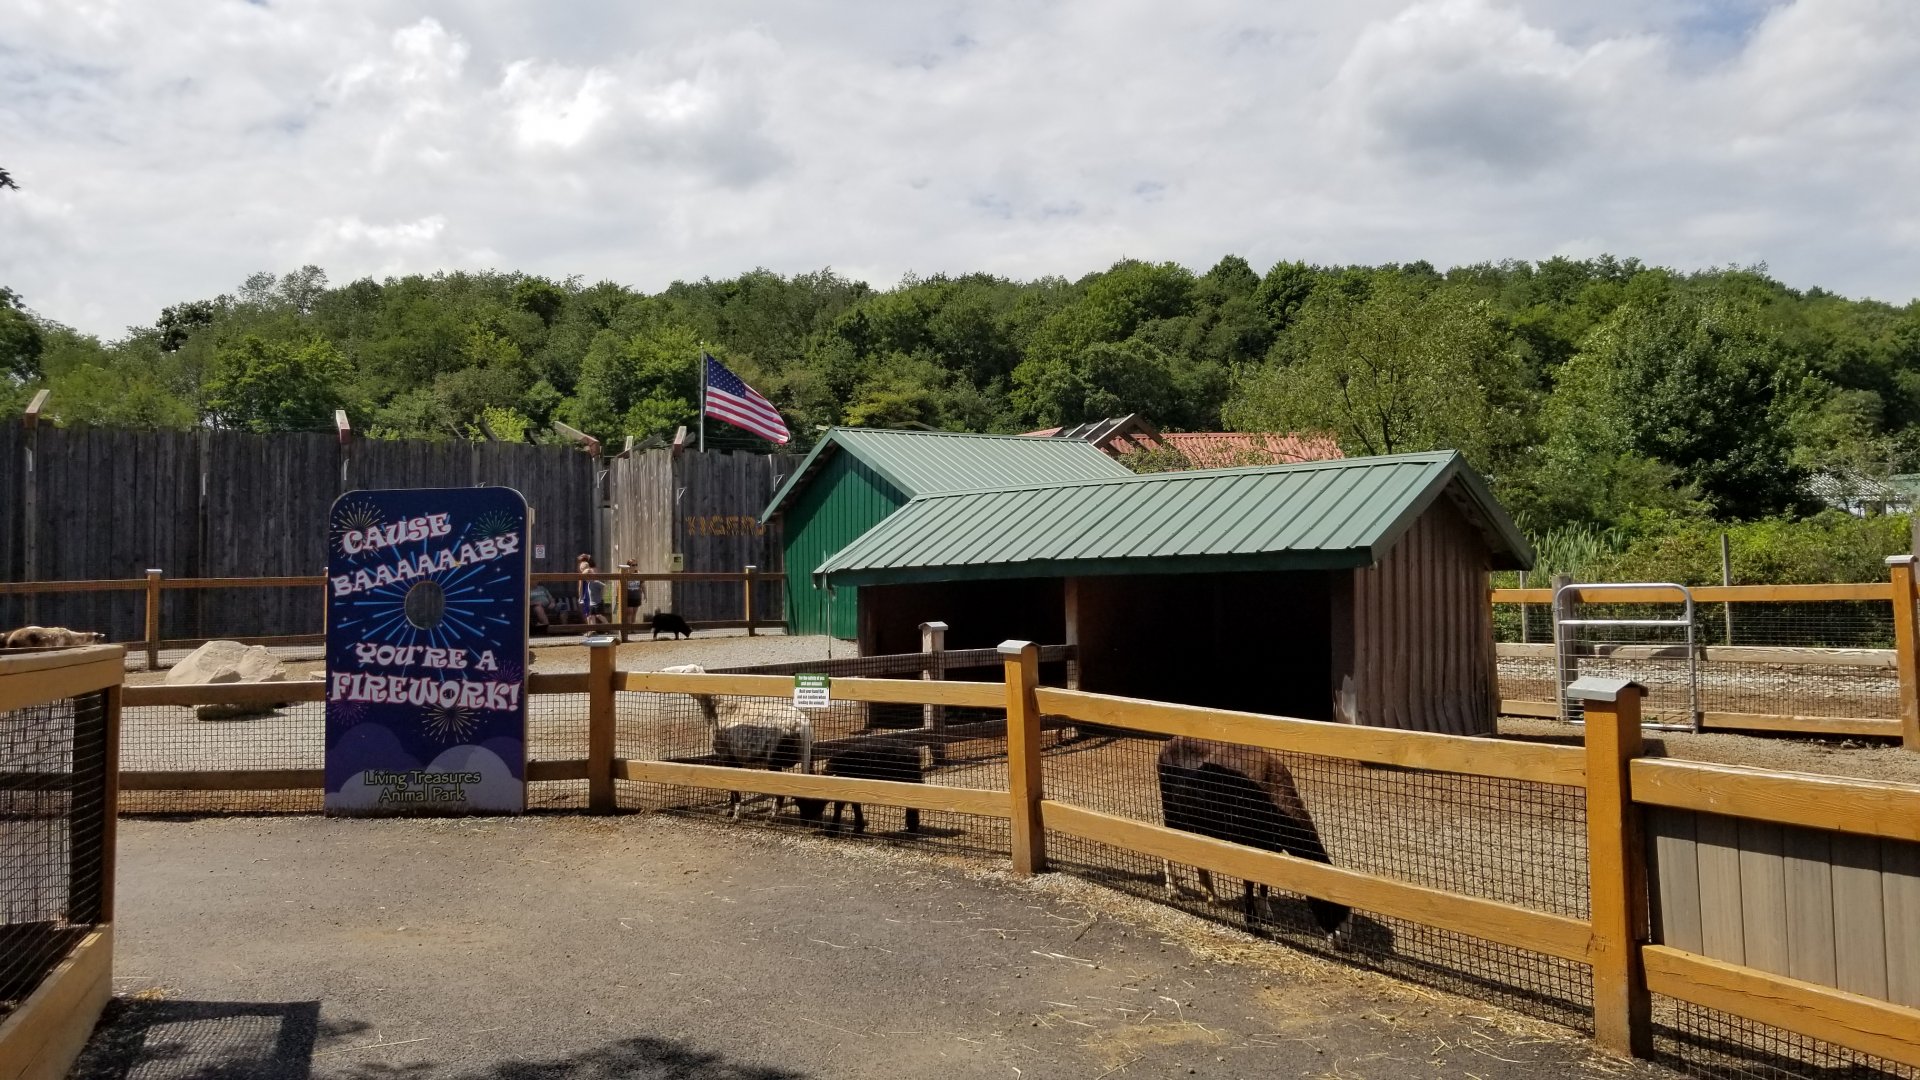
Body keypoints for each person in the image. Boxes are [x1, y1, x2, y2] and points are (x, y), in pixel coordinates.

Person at [577, 554, 609, 625]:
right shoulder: (594, 570)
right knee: (592, 614)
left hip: (588, 593)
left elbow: (580, 586)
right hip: (593, 592)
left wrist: (580, 597)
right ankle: (592, 629)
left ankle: (592, 629)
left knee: (590, 614)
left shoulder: (585, 572)